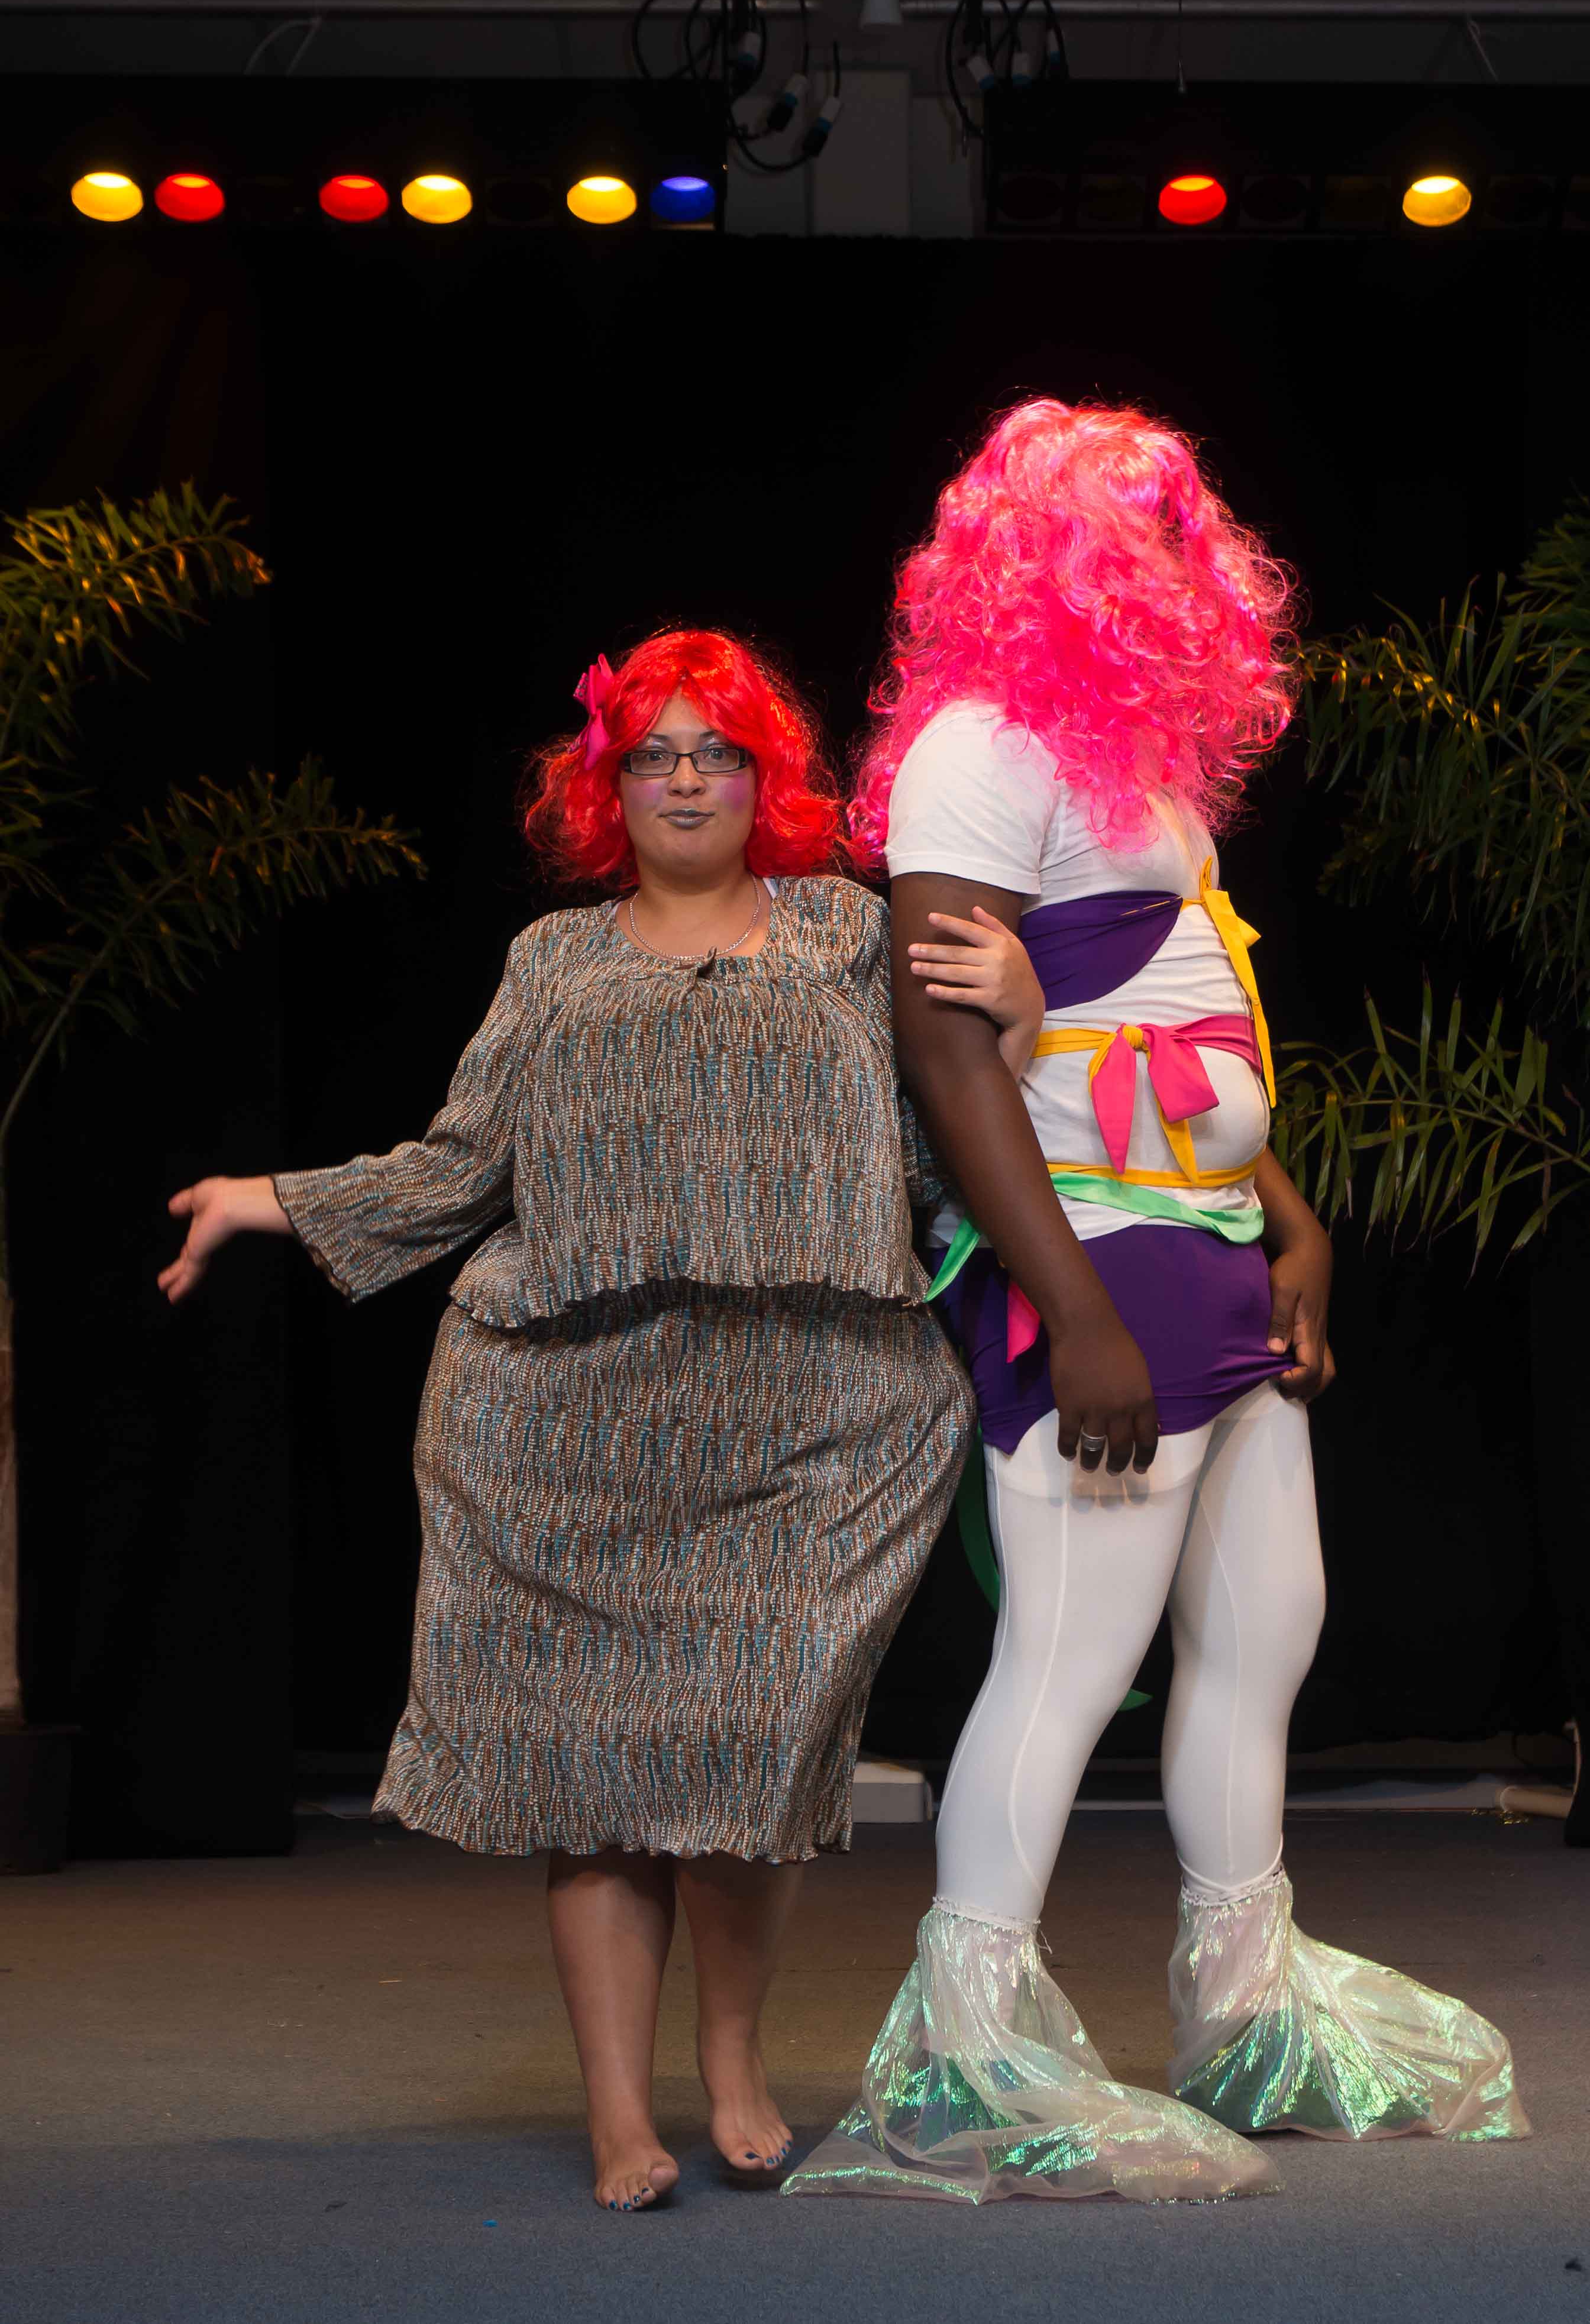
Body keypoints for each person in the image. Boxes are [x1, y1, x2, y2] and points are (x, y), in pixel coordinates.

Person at [159, 628, 1010, 2215]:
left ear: (767, 778)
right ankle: (621, 2112)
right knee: (600, 1775)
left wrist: (1018, 1014)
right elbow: (455, 1166)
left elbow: (957, 1125)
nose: (685, 778)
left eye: (718, 751)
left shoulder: (847, 931)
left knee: (751, 1754)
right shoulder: (552, 961)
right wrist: (261, 1196)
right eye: (652, 754)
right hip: (576, 1420)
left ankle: (734, 2066)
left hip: (813, 1419)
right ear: (607, 787)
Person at [785, 399, 1529, 2209]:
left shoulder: (1142, 763)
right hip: (1098, 1259)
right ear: (1034, 547)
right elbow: (947, 1056)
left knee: (1269, 1624)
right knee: (1066, 1659)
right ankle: (967, 2058)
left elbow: (1186, 1006)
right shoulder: (975, 749)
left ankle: (1245, 2005)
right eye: (1134, 523)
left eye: (1184, 526)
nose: (1171, 553)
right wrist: (1074, 1309)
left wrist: (1287, 1216)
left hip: (1207, 1245)